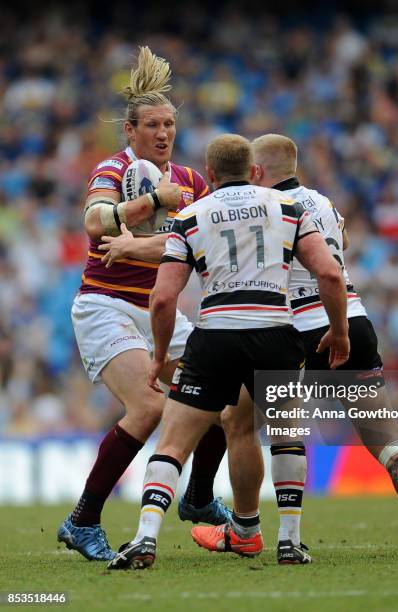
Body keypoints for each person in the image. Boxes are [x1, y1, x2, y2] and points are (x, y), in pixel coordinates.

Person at [107, 133, 350, 569]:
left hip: (215, 335)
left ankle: (145, 539)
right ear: (254, 171)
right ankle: (290, 542)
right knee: (286, 436)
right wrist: (340, 331)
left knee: (174, 443)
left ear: (211, 175)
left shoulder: (192, 215)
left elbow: (163, 298)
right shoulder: (289, 209)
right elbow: (330, 274)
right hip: (276, 333)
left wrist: (160, 355)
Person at [250, 133, 398, 558]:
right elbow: (344, 244)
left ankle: (273, 535)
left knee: (264, 427)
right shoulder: (324, 202)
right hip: (355, 322)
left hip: (305, 327)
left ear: (258, 171)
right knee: (389, 443)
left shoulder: (269, 209)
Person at [57, 47, 230, 563]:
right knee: (151, 405)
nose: (163, 133)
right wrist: (155, 204)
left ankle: (197, 498)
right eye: (152, 124)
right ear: (130, 132)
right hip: (106, 305)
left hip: (158, 309)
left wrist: (144, 240)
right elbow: (95, 223)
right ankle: (83, 519)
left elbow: (202, 246)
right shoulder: (111, 169)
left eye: (170, 124)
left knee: (226, 405)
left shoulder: (193, 182)